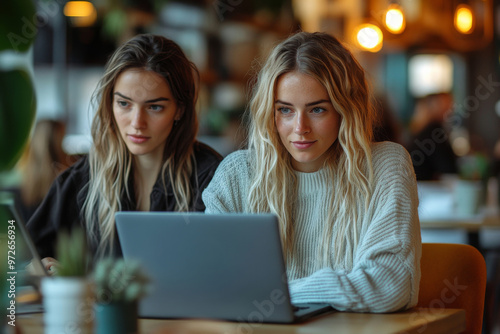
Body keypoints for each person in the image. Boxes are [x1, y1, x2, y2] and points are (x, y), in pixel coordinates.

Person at [202, 32, 421, 313]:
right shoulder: (237, 174)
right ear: (270, 112)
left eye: (317, 110)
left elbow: (388, 285)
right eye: (285, 110)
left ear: (346, 110)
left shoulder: (384, 165)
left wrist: (274, 294)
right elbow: (210, 280)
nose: (300, 128)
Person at [27, 34, 222, 271]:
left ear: (179, 109)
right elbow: (20, 259)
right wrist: (39, 268)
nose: (137, 122)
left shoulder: (211, 178)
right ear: (110, 102)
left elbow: (222, 272)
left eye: (154, 107)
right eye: (124, 104)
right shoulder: (83, 179)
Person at [406, 92, 458, 180]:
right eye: (446, 103)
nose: (451, 108)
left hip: (416, 184)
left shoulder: (420, 127)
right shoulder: (434, 129)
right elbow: (447, 167)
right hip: (427, 187)